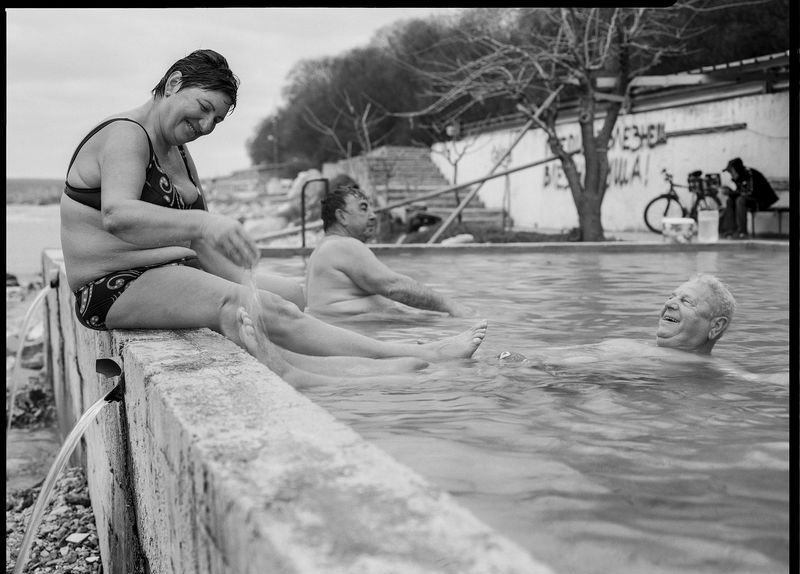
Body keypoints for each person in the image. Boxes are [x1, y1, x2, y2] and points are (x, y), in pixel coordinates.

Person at [59, 49, 488, 389]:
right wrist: (207, 230)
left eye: (217, 119)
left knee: (291, 299)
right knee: (242, 305)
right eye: (204, 107)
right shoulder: (126, 134)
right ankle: (404, 356)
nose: (207, 125)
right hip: (112, 287)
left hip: (166, 268)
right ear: (173, 84)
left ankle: (354, 368)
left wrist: (243, 272)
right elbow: (119, 215)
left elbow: (201, 243)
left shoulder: (180, 154)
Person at [497, 274, 786, 386]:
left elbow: (763, 381)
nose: (670, 303)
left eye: (685, 301)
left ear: (716, 326)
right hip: (523, 366)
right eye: (670, 296)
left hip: (528, 376)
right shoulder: (646, 347)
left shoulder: (704, 367)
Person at [305, 185, 474, 318]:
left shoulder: (322, 250)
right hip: (353, 334)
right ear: (341, 217)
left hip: (349, 332)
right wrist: (451, 306)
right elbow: (394, 287)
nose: (373, 216)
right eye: (363, 208)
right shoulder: (343, 246)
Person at [719, 157, 778, 239]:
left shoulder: (749, 174)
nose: (730, 174)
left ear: (736, 169)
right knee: (730, 200)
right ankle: (730, 230)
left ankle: (742, 232)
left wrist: (732, 193)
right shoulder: (739, 177)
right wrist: (730, 192)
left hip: (763, 201)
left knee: (740, 200)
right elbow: (741, 192)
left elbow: (750, 192)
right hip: (751, 200)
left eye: (731, 171)